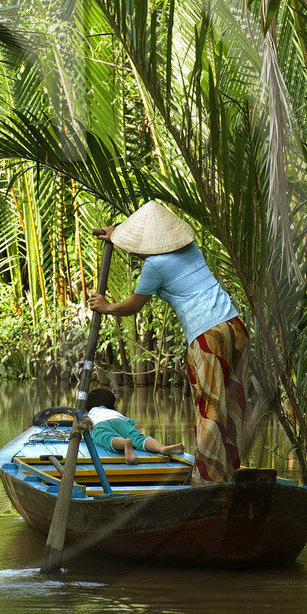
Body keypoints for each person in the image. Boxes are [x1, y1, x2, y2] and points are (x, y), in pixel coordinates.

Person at [86, 200, 249, 483]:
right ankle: (230, 471)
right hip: (234, 326)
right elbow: (146, 248)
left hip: (207, 336)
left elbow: (134, 304)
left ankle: (208, 480)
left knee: (209, 407)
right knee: (231, 402)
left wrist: (106, 306)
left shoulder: (155, 265)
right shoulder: (189, 247)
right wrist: (116, 236)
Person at [84, 387, 182, 465]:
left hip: (98, 423)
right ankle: (161, 448)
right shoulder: (113, 413)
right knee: (139, 438)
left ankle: (124, 443)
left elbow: (84, 430)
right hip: (118, 420)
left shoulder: (91, 414)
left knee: (107, 438)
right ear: (114, 404)